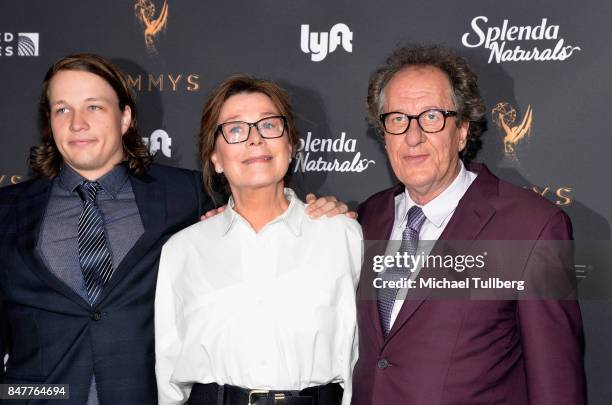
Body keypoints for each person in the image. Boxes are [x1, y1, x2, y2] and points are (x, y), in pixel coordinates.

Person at [0, 54, 348, 405]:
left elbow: (258, 196)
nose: (77, 123)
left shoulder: (187, 195)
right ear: (49, 122)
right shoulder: (6, 212)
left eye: (94, 107)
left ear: (125, 117)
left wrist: (329, 210)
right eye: (62, 109)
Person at [351, 45, 586, 404]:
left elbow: (556, 384)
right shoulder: (365, 220)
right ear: (383, 134)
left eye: (431, 117)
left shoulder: (531, 227)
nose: (412, 137)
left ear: (462, 130)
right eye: (397, 118)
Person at [155, 75, 363, 405]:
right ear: (215, 158)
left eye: (269, 125)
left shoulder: (343, 235)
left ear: (291, 144)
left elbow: (358, 358)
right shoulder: (183, 250)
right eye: (236, 129)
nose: (255, 140)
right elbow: (168, 375)